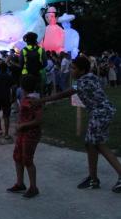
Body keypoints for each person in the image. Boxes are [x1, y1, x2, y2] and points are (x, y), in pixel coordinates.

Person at [36, 56, 121, 193]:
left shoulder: (82, 82)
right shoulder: (89, 77)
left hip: (100, 113)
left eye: (74, 68)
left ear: (82, 70)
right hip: (102, 112)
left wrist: (42, 100)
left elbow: (64, 94)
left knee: (99, 144)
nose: (71, 70)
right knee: (90, 144)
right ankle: (93, 179)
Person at [7, 75, 42, 198]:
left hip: (30, 133)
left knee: (27, 160)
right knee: (17, 157)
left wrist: (23, 125)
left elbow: (38, 120)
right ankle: (20, 183)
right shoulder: (26, 98)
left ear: (22, 87)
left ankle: (33, 187)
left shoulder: (34, 101)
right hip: (23, 133)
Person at [0, 62, 14, 144]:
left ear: (0, 69)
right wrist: (12, 97)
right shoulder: (9, 77)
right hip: (6, 97)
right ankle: (6, 133)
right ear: (7, 69)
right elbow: (12, 87)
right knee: (6, 115)